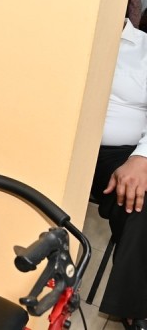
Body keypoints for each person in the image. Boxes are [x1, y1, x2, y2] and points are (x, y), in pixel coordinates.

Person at [88, 16, 147, 328]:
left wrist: (142, 157)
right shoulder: (67, 33)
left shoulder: (143, 48)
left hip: (122, 152)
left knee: (139, 198)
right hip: (67, 143)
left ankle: (136, 309)